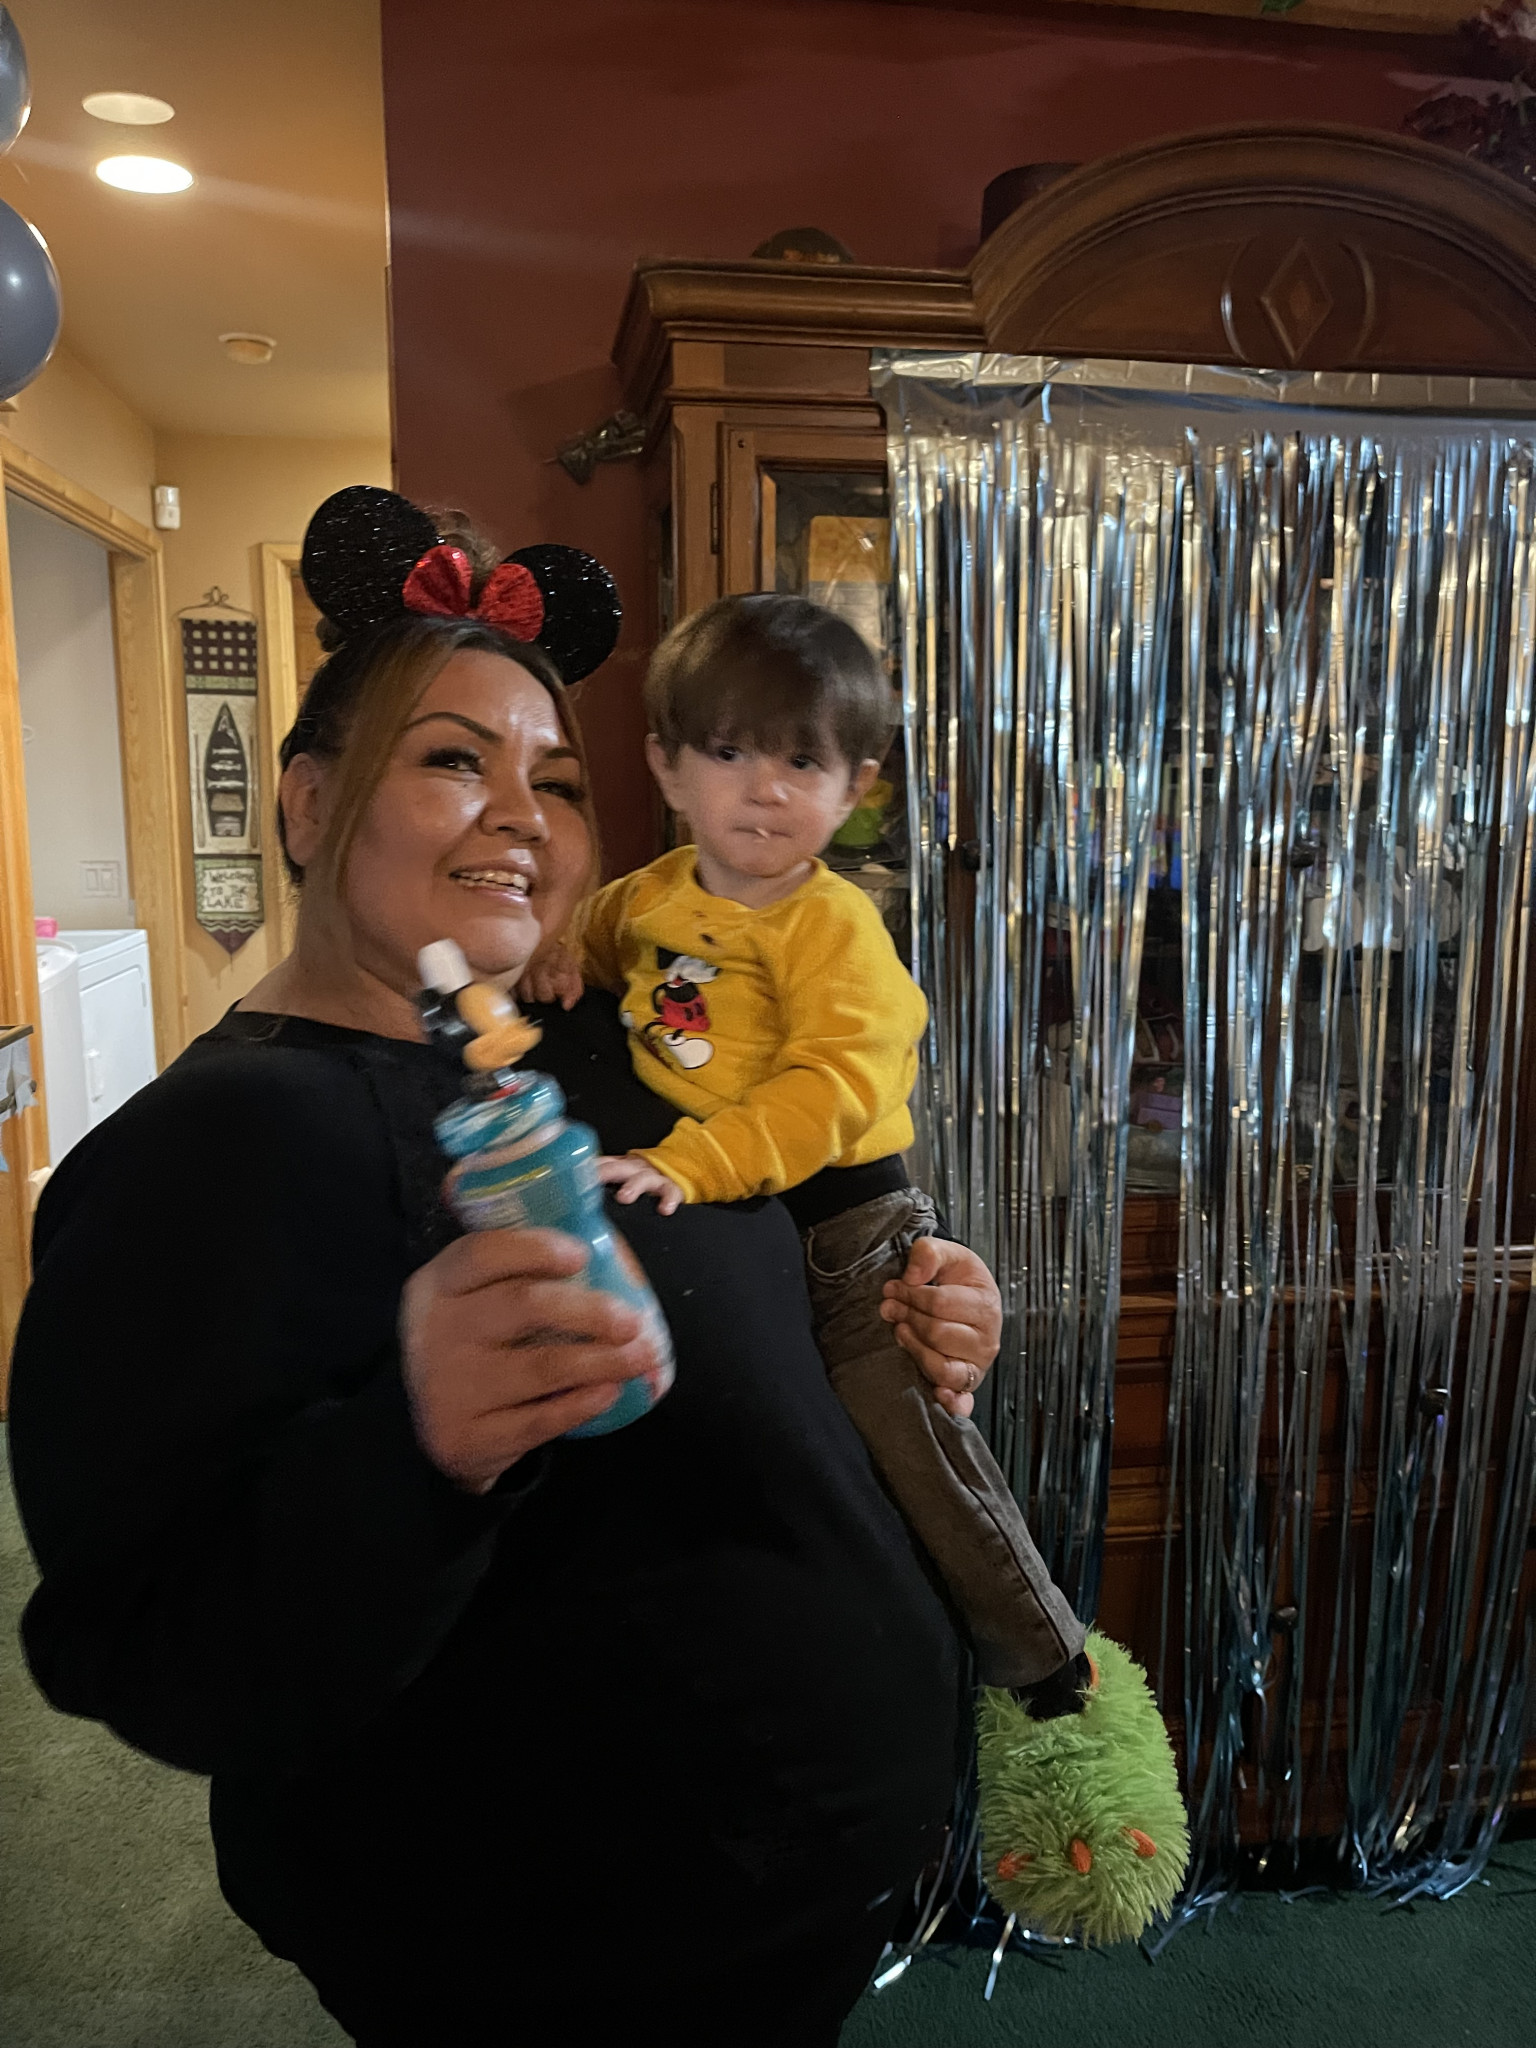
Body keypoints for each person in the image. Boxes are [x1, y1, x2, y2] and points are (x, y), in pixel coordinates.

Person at [9, 487, 1014, 2047]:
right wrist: (418, 1446)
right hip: (561, 1951)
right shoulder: (206, 1149)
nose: (524, 815)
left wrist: (911, 1312)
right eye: (451, 761)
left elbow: (770, 1276)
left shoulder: (598, 1045)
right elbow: (141, 1650)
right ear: (306, 805)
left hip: (802, 1890)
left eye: (554, 779)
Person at [521, 593, 1085, 1697]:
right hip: (756, 1206)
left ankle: (1042, 1654)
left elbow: (831, 1087)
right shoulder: (647, 900)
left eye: (801, 760)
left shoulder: (833, 926)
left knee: (913, 1438)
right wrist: (554, 952)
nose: (765, 788)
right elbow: (591, 945)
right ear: (667, 765)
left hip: (853, 1217)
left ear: (855, 787)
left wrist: (691, 1163)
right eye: (729, 752)